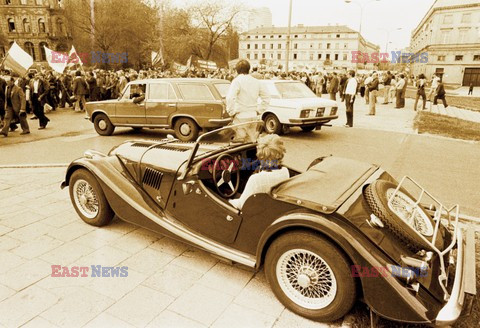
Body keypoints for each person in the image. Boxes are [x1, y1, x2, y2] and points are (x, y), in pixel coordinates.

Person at [229, 134, 289, 210]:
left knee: (226, 195)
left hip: (252, 212)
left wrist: (228, 200)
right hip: (268, 208)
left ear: (261, 156)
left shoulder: (255, 180)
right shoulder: (285, 172)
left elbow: (241, 205)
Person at [226, 59, 270, 124]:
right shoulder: (256, 81)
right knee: (252, 134)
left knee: (240, 134)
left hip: (240, 115)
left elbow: (230, 98)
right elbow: (267, 97)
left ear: (237, 70)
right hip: (253, 115)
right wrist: (259, 110)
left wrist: (231, 112)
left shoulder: (236, 81)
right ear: (249, 70)